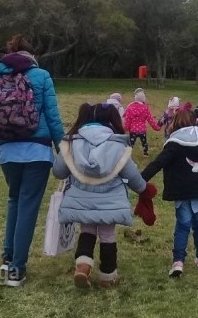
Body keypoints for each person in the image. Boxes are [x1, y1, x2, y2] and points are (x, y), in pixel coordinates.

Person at [0, 34, 65, 287]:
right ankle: (16, 269)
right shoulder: (41, 76)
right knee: (28, 206)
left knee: (14, 198)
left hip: (7, 152)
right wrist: (65, 152)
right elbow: (53, 118)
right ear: (31, 56)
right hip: (38, 151)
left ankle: (7, 256)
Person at [52, 103, 157, 289]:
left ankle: (83, 267)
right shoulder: (117, 145)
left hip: (81, 200)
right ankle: (108, 277)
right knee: (108, 235)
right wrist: (143, 189)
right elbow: (131, 174)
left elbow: (59, 172)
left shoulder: (72, 142)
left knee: (87, 231)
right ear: (111, 120)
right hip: (111, 202)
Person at [140, 108, 198, 278]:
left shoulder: (173, 144)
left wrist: (140, 179)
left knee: (182, 226)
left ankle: (178, 262)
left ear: (175, 123)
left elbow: (158, 163)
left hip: (182, 192)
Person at [123, 88, 162, 157]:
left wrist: (126, 128)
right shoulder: (145, 108)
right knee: (144, 142)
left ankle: (127, 155)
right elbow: (150, 120)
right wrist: (157, 127)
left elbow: (127, 119)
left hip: (133, 130)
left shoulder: (130, 108)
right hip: (142, 130)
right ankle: (145, 153)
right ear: (144, 99)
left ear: (135, 98)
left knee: (131, 143)